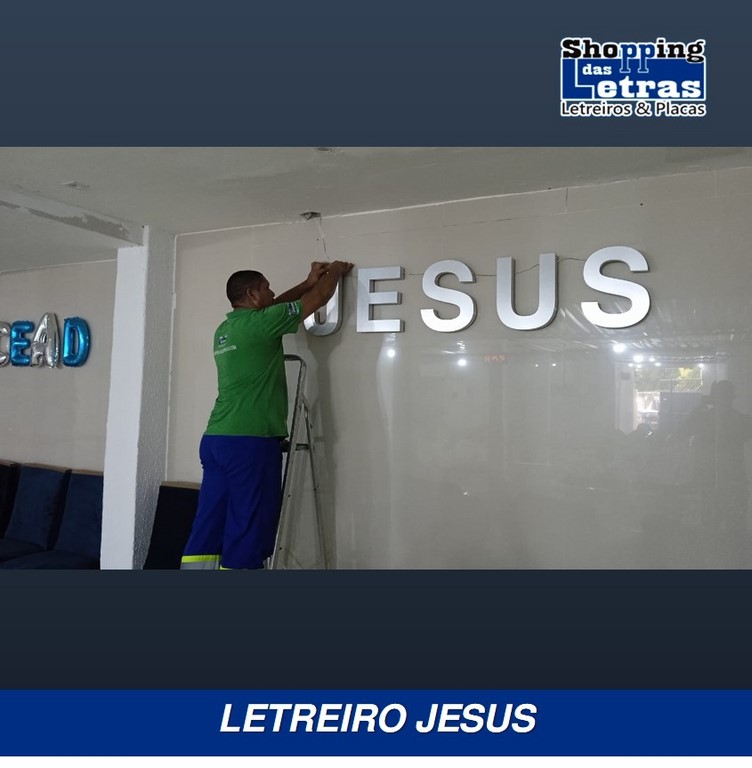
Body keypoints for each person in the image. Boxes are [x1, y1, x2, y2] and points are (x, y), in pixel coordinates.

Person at [181, 259, 354, 570]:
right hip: (250, 441)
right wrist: (337, 272)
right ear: (252, 295)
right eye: (267, 288)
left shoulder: (225, 329)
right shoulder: (260, 325)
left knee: (211, 522)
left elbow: (274, 309)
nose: (272, 293)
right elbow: (318, 299)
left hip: (216, 440)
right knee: (249, 524)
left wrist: (306, 282)